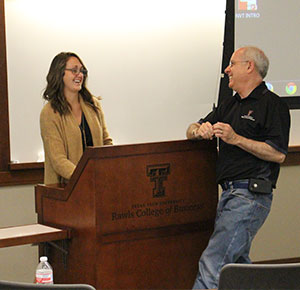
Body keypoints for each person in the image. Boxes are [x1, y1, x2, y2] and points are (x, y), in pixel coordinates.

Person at [186, 46, 290, 289]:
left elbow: (278, 154)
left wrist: (235, 139)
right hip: (229, 195)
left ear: (249, 66)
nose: (227, 69)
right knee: (239, 268)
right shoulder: (229, 105)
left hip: (250, 195)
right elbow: (191, 128)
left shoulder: (273, 105)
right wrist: (198, 131)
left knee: (213, 263)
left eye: (232, 63)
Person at [40, 52, 113, 184]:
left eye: (82, 71)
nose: (80, 75)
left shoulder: (93, 104)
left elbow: (106, 142)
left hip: (99, 185)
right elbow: (58, 160)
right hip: (66, 190)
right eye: (74, 71)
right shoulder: (50, 112)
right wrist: (87, 178)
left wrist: (108, 170)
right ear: (60, 73)